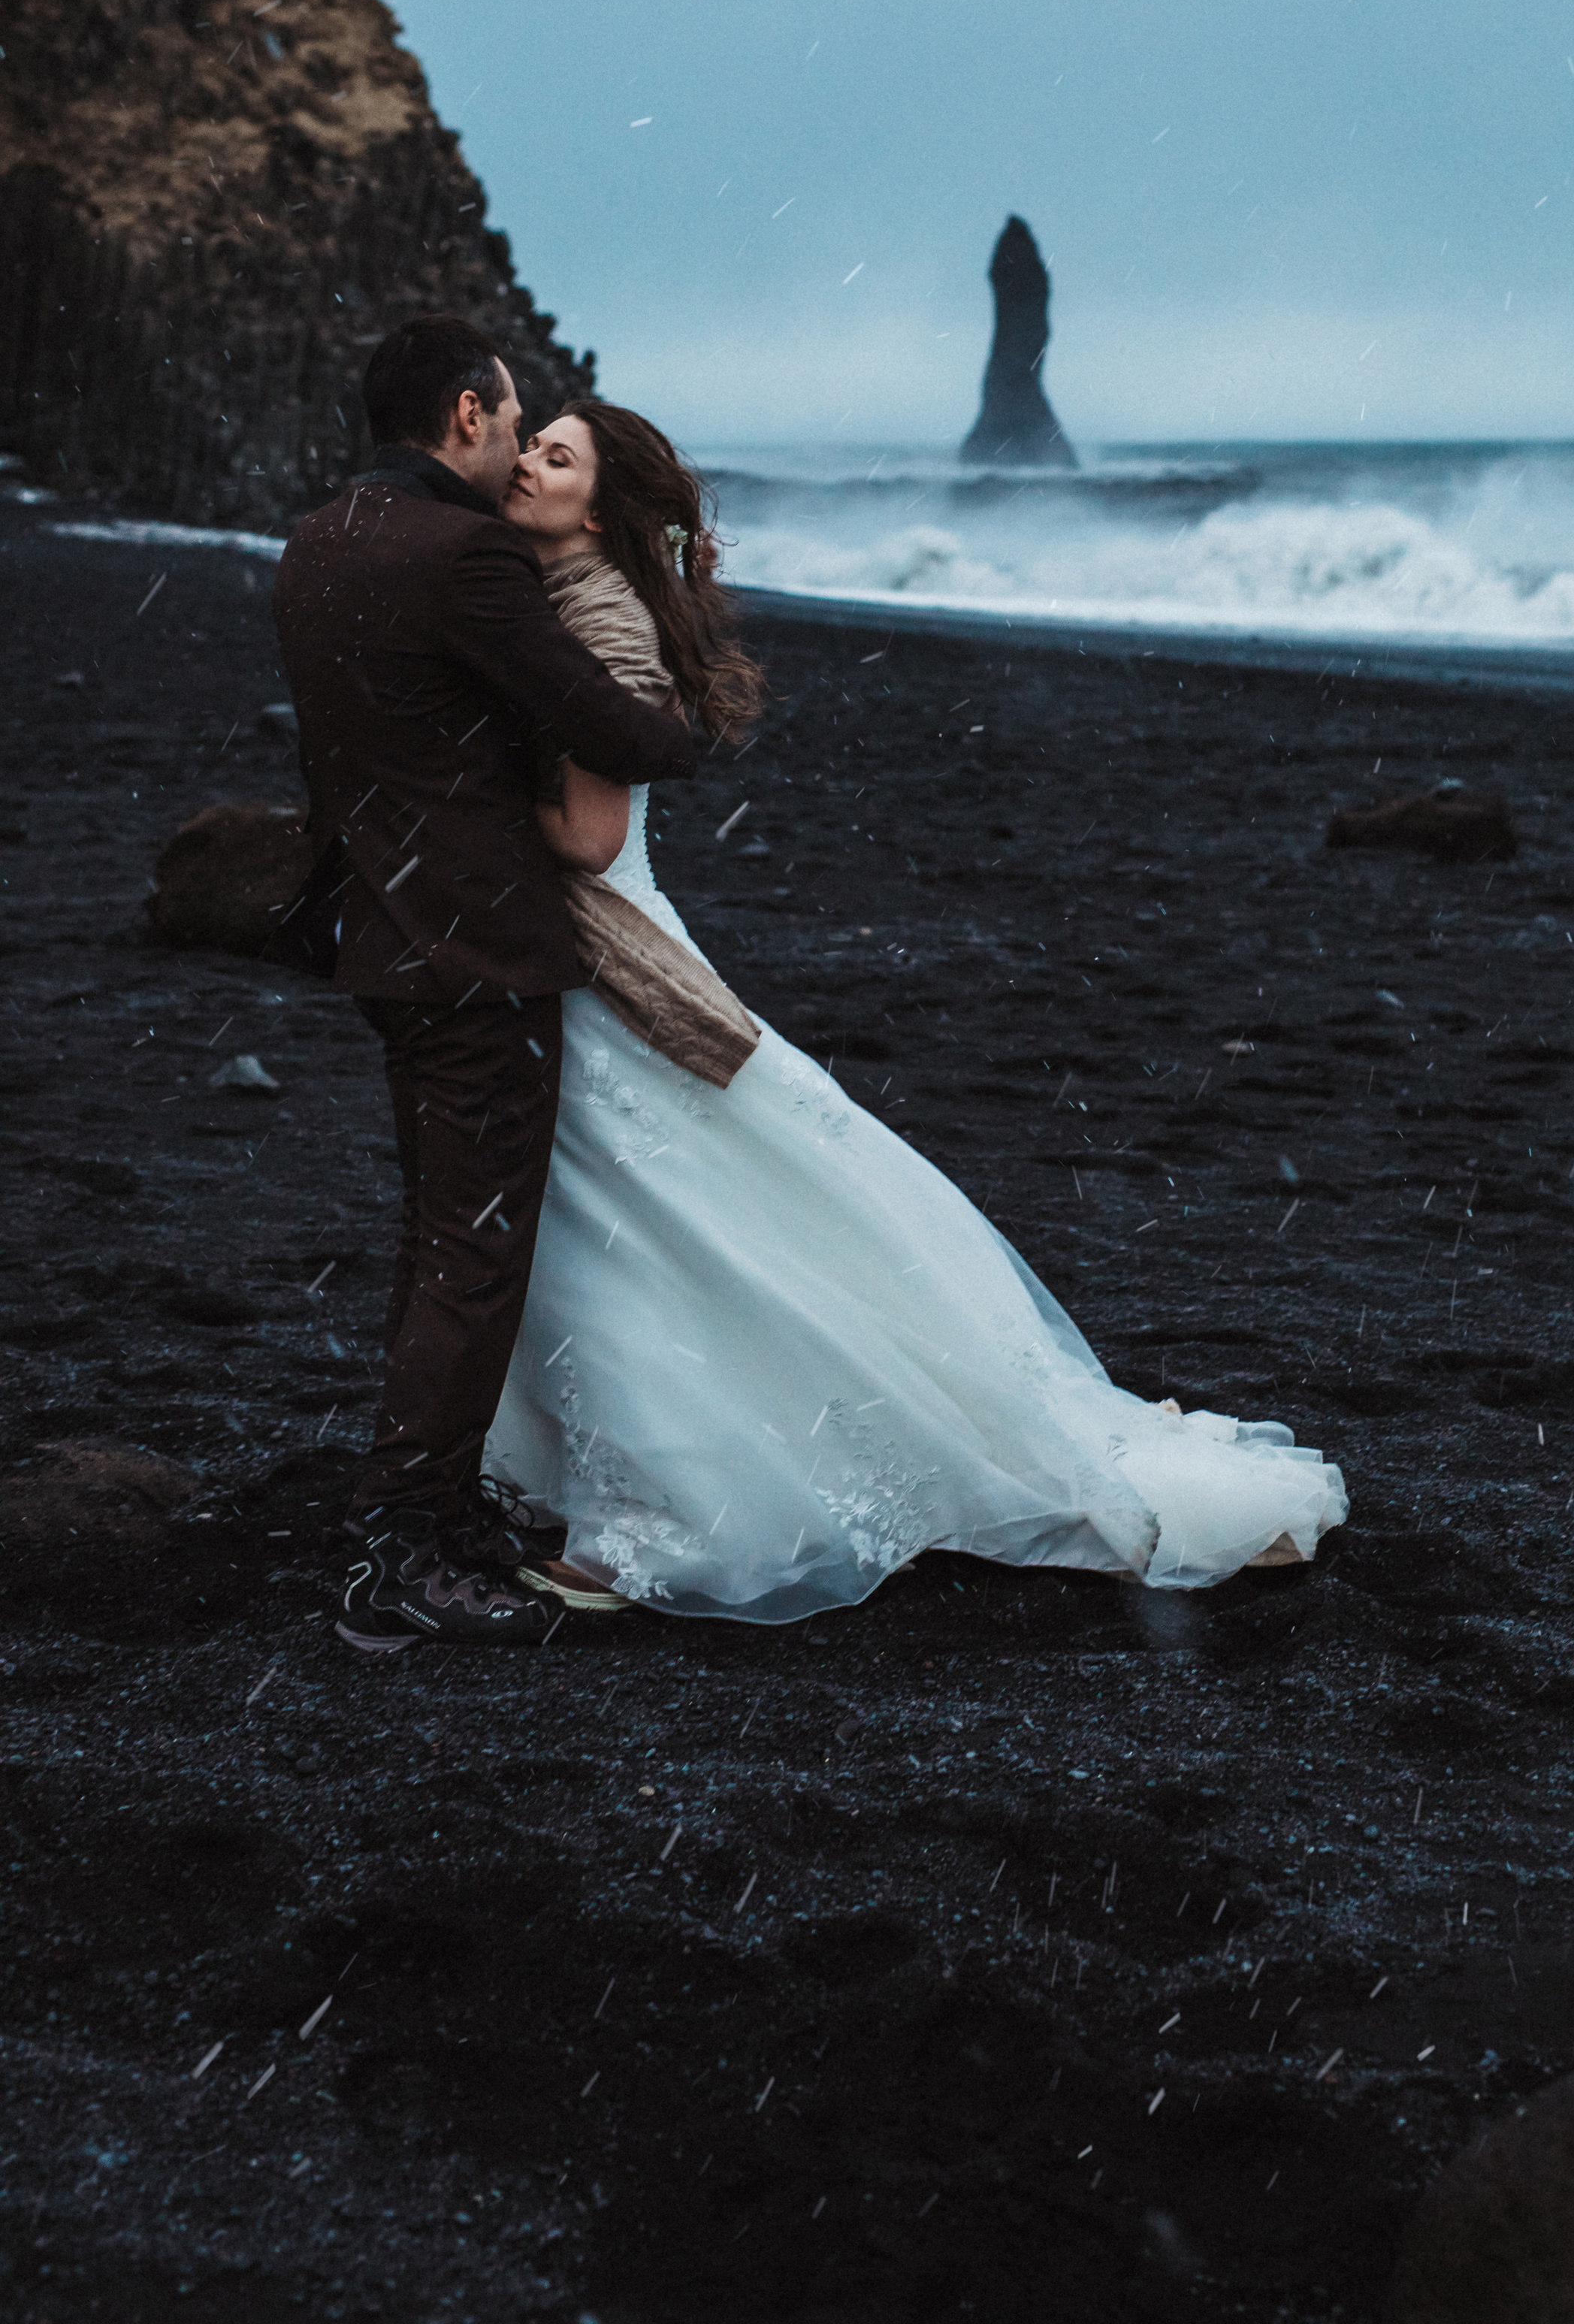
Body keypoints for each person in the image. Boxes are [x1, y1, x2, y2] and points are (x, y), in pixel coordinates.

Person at [484, 400, 1348, 1622]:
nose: (525, 462)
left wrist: (451, 796)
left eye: (555, 456)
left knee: (641, 1212)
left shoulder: (602, 619)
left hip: (607, 954)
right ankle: (624, 1476)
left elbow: (589, 832)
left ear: (606, 508)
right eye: (531, 444)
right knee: (648, 1209)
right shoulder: (554, 600)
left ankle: (671, 1515)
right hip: (584, 951)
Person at [272, 317, 699, 1651]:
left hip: (386, 938)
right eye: (513, 421)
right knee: (474, 1255)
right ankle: (401, 1546)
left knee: (438, 1237)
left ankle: (438, 1516)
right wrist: (685, 690)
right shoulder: (464, 559)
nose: (517, 446)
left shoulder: (320, 536)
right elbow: (618, 732)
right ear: (467, 412)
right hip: (479, 948)